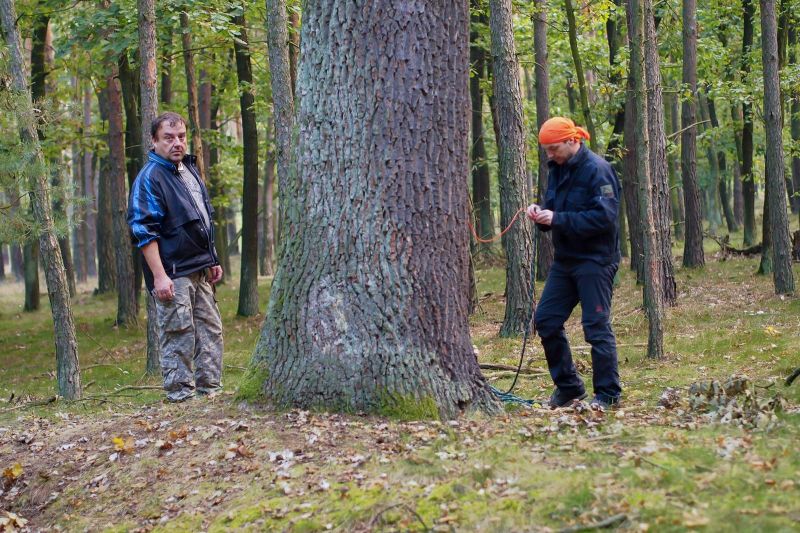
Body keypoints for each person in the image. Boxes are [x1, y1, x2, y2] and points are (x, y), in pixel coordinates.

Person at [127, 112, 224, 403]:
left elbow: (201, 218)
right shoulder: (150, 178)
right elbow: (144, 231)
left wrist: (212, 258)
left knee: (210, 330)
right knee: (178, 332)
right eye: (168, 138)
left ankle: (210, 391)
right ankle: (180, 396)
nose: (177, 143)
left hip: (200, 267)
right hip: (172, 271)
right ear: (154, 141)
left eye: (181, 136)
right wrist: (159, 276)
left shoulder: (188, 170)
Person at [526, 116, 622, 410]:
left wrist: (558, 219)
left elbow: (604, 218)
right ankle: (569, 388)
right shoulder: (556, 169)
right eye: (547, 150)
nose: (550, 155)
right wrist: (541, 214)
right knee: (546, 320)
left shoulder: (599, 171)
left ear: (572, 141)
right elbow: (554, 210)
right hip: (565, 261)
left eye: (554, 148)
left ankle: (607, 395)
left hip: (596, 261)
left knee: (595, 327)